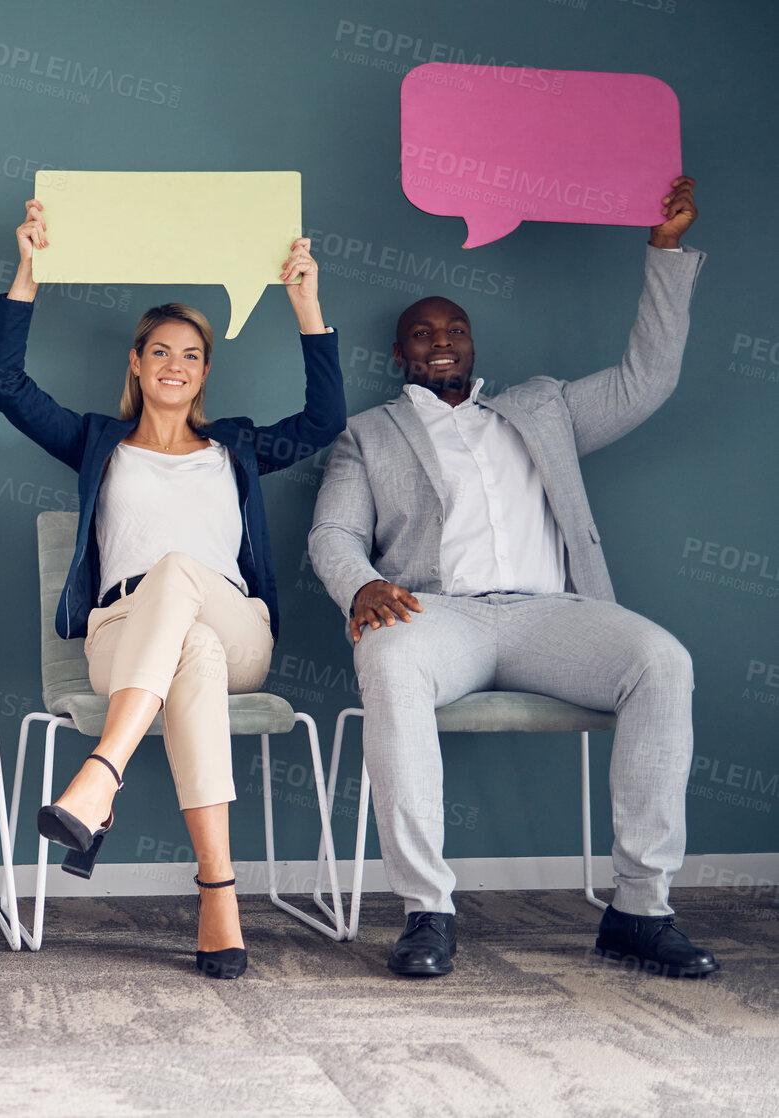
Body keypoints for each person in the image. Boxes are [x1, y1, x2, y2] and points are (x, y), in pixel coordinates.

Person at [308, 177, 718, 980]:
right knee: (387, 659)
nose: (439, 340)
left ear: (471, 344)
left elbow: (648, 378)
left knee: (662, 661)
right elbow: (332, 532)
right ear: (398, 354)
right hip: (439, 616)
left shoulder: (544, 409)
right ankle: (427, 910)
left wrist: (663, 252)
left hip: (549, 617)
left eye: (453, 328)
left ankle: (637, 911)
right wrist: (359, 586)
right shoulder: (370, 435)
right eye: (420, 332)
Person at [0, 200, 345, 978]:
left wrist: (305, 304)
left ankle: (98, 774)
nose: (174, 363)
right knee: (196, 657)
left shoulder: (236, 448)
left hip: (239, 621)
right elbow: (4, 383)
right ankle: (218, 892)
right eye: (158, 351)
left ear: (204, 370)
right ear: (137, 365)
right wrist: (26, 272)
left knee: (184, 575)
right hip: (122, 637)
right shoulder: (96, 445)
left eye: (190, 353)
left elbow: (324, 419)